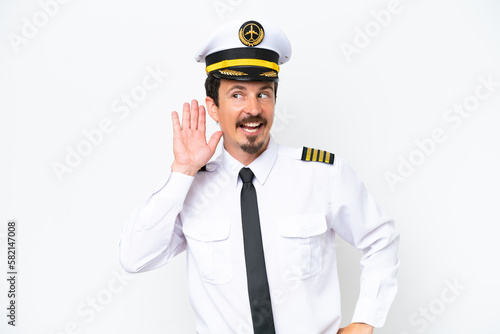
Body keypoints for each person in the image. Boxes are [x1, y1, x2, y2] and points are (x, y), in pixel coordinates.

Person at [119, 19, 399, 334]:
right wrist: (182, 172)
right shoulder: (191, 187)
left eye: (263, 94)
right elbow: (134, 258)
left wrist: (365, 321)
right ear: (213, 107)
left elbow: (381, 238)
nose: (253, 109)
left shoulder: (323, 174)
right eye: (237, 95)